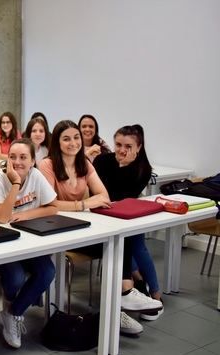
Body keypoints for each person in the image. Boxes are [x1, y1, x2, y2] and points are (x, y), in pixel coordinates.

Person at [38, 120, 162, 335]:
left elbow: (104, 196)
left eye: (76, 138)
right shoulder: (47, 165)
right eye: (66, 138)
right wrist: (84, 204)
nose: (73, 142)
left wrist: (83, 205)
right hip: (54, 230)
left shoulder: (84, 164)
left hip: (81, 227)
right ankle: (126, 295)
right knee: (123, 242)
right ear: (56, 142)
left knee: (118, 240)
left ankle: (120, 303)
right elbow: (50, 206)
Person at [0, 138, 58, 349]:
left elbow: (52, 207)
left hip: (28, 241)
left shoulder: (36, 175)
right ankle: (12, 310)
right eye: (12, 157)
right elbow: (2, 217)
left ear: (33, 161)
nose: (17, 162)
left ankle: (12, 313)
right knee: (15, 277)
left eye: (23, 157)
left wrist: (27, 214)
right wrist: (15, 183)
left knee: (47, 272)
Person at [93, 124, 162, 321]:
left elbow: (125, 198)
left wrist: (124, 167)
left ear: (138, 148)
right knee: (129, 245)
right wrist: (121, 168)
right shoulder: (102, 160)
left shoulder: (143, 169)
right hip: (102, 218)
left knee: (135, 244)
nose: (122, 150)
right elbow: (104, 194)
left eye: (128, 146)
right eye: (118, 144)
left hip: (126, 218)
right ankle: (136, 286)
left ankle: (155, 296)